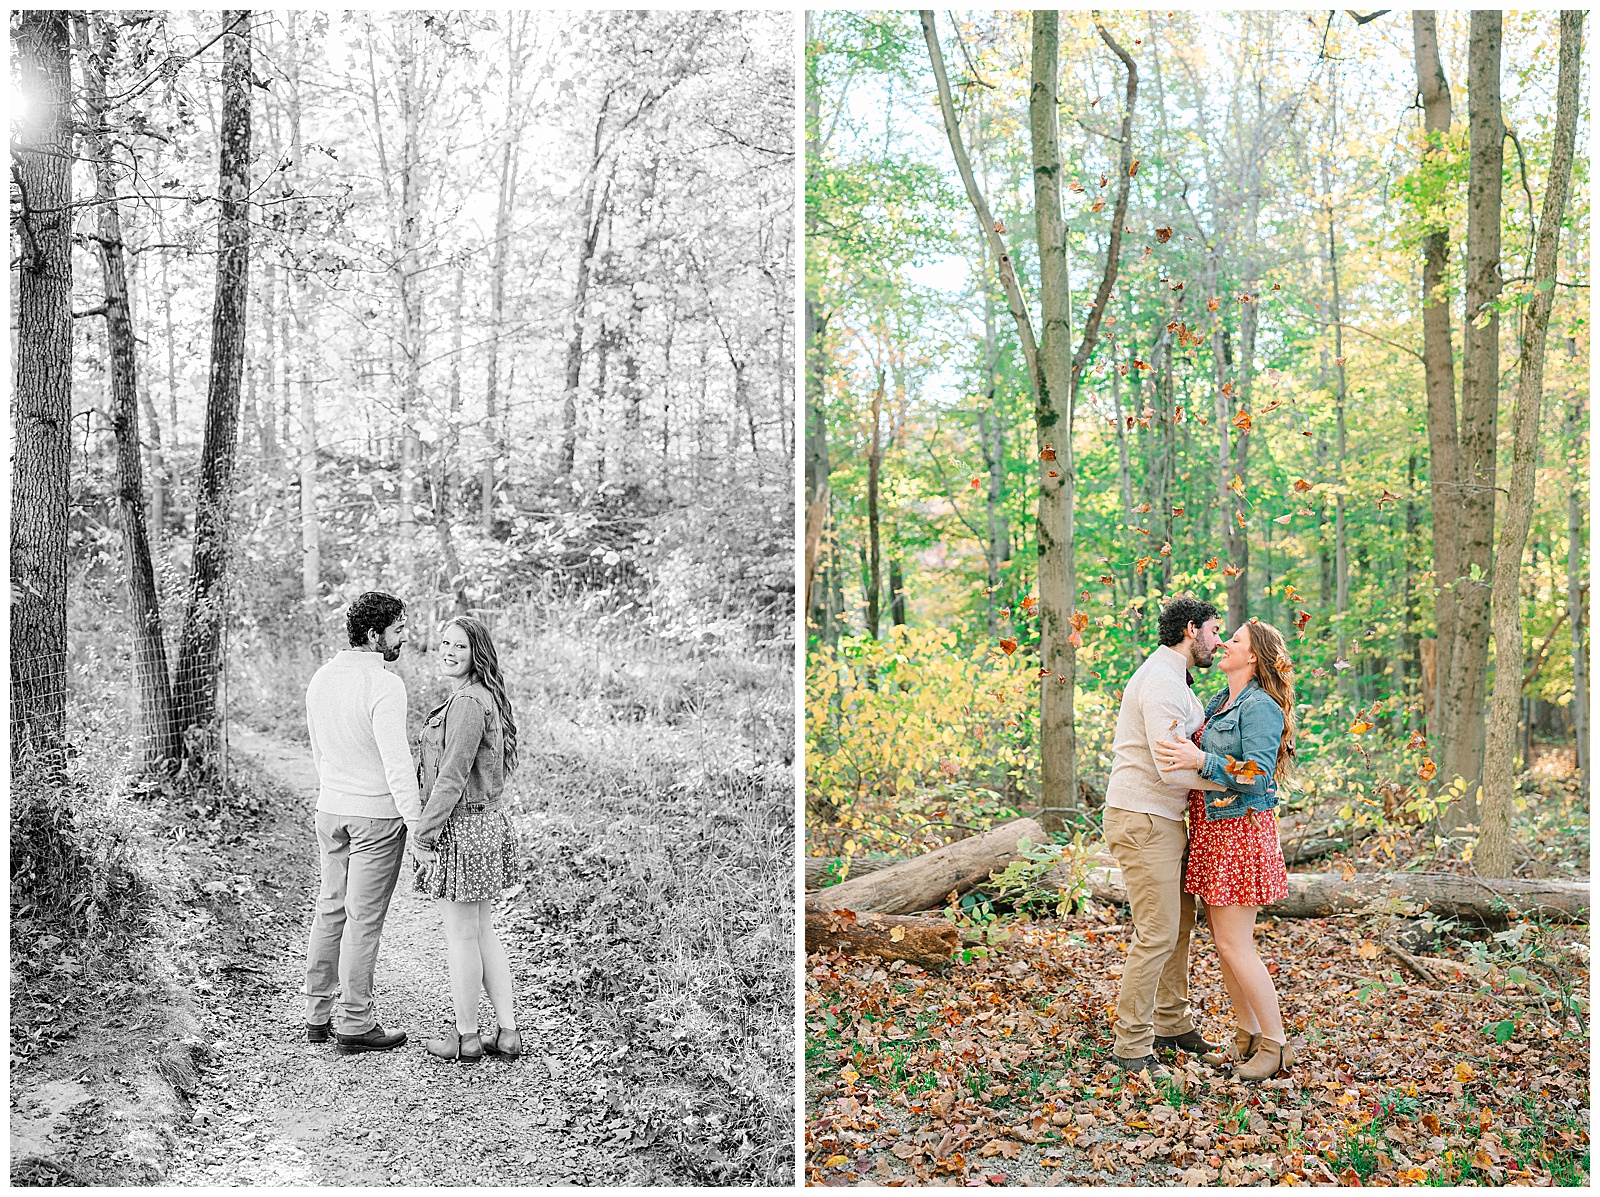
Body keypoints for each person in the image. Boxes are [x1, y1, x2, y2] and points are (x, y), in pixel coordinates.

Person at [1155, 618, 1295, 1083]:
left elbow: (1259, 775)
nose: (1223, 644)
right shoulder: (1220, 701)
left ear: (1253, 656)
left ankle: (1276, 1044)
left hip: (1241, 833)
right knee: (1225, 944)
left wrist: (1202, 760)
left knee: (1237, 944)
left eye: (1234, 640)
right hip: (1212, 832)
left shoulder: (1261, 706)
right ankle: (1247, 1035)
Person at [1101, 596, 1232, 1076]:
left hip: (1165, 819)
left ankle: (1172, 1024)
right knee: (1156, 933)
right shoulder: (1160, 681)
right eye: (1214, 631)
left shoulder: (1176, 678)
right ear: (1191, 629)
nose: (1218, 641)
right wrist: (1233, 781)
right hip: (1143, 819)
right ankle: (1131, 1047)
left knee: (1178, 926)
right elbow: (1170, 769)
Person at [303, 591, 425, 1055]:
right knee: (363, 920)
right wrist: (417, 826)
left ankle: (317, 1016)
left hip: (331, 809)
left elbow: (318, 750)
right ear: (374, 635)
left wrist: (334, 792)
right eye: (398, 629)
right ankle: (355, 1022)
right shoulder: (384, 684)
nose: (404, 637)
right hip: (375, 816)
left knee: (330, 908)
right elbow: (397, 763)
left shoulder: (322, 678)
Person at [412, 615, 522, 1064]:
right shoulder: (480, 696)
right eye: (444, 643)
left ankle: (466, 1037)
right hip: (482, 824)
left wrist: (424, 835)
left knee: (461, 936)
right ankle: (507, 1033)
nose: (449, 652)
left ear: (477, 652)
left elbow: (452, 776)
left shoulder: (468, 703)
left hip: (462, 828)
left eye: (459, 645)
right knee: (480, 931)